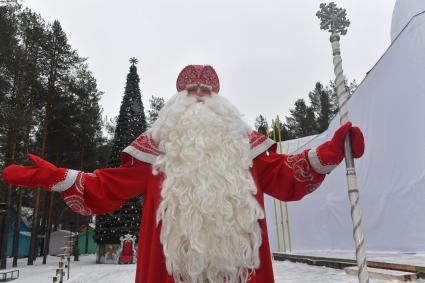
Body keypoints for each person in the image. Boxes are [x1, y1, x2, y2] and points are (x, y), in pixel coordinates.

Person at [2, 65, 365, 283]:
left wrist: (331, 150)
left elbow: (287, 177)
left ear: (221, 103)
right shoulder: (152, 151)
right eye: (192, 92)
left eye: (207, 92)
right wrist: (56, 177)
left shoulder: (247, 147)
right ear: (178, 101)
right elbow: (106, 187)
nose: (200, 97)